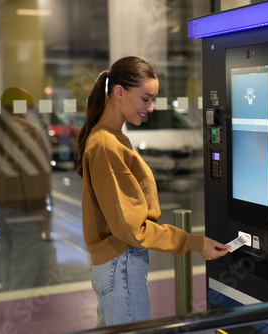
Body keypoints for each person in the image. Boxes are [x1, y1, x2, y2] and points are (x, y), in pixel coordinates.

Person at [76, 56, 229, 327]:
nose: (151, 107)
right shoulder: (106, 144)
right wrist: (194, 242)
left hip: (115, 266)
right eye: (146, 98)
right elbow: (131, 229)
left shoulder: (110, 138)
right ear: (119, 92)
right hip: (121, 265)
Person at [0, 87, 52, 290]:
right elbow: (33, 177)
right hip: (25, 213)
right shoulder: (27, 130)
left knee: (8, 266)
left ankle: (7, 311)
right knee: (24, 272)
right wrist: (40, 210)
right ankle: (16, 319)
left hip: (2, 210)